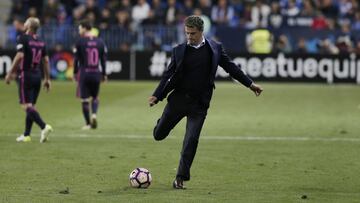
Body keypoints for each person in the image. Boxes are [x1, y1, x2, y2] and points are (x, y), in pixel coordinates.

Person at [148, 15, 263, 189]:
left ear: (202, 32)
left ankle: (180, 178)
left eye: (192, 33)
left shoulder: (215, 48)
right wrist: (157, 95)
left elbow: (231, 67)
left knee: (191, 140)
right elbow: (168, 75)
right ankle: (162, 123)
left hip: (199, 104)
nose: (189, 37)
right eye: (187, 33)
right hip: (178, 100)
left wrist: (250, 84)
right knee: (158, 135)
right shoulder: (179, 50)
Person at [5, 17, 53, 143]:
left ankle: (44, 126)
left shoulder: (23, 38)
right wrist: (47, 79)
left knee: (25, 105)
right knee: (31, 106)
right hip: (37, 75)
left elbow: (20, 55)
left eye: (26, 21)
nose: (24, 23)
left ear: (29, 26)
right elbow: (46, 61)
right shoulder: (41, 41)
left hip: (26, 75)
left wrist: (10, 72)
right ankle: (27, 135)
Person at [73, 20, 107, 130]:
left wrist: (74, 72)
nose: (79, 30)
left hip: (84, 73)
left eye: (79, 28)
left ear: (84, 28)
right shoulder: (100, 41)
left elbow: (76, 60)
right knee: (95, 97)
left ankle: (88, 124)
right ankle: (94, 115)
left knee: (84, 99)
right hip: (96, 72)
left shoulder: (80, 41)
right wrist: (104, 74)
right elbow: (103, 60)